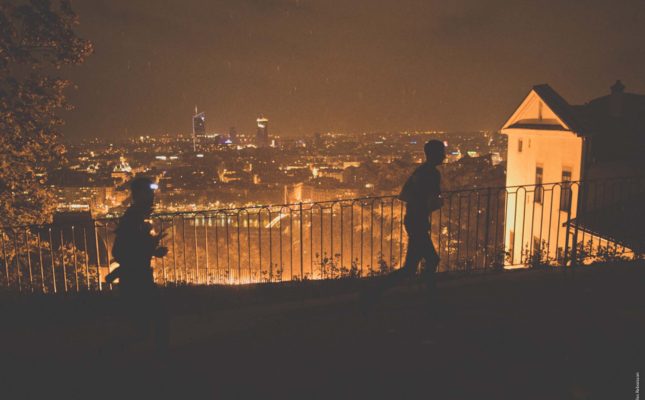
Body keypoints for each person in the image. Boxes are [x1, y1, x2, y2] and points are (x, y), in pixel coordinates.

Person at [360, 140, 445, 309]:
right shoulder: (432, 174)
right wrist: (435, 204)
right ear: (435, 154)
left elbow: (406, 195)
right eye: (442, 152)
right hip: (418, 222)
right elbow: (433, 201)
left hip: (413, 220)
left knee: (413, 266)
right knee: (428, 261)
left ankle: (376, 291)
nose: (444, 156)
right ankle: (429, 297)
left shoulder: (420, 172)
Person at [106, 176, 169, 350]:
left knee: (144, 316)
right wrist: (151, 248)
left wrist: (152, 249)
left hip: (135, 273)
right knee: (156, 314)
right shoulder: (135, 217)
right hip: (136, 273)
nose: (153, 196)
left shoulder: (135, 216)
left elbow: (130, 244)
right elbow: (130, 246)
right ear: (140, 194)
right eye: (149, 192)